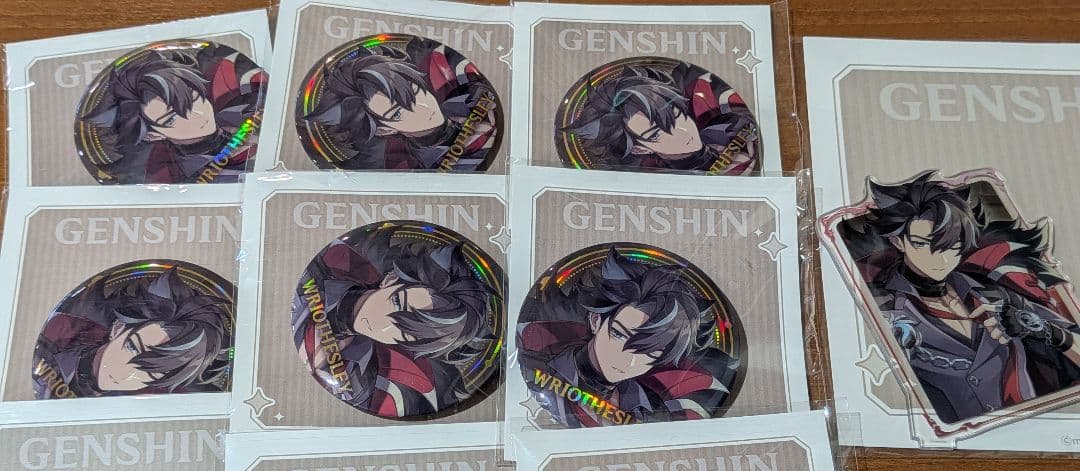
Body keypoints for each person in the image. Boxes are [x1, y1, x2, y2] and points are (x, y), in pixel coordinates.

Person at [839, 171, 1080, 424]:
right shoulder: (881, 307)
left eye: (952, 244)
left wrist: (1046, 331)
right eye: (922, 243)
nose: (941, 259)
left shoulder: (994, 292)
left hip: (1036, 424)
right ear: (898, 242)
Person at [517, 247, 740, 427]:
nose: (627, 361)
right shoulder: (537, 369)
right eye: (619, 334)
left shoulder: (652, 409)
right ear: (595, 321)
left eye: (649, 353)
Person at [294, 227, 496, 417]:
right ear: (390, 279)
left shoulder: (362, 383)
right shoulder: (325, 264)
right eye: (397, 302)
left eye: (405, 333)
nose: (384, 325)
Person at [33, 269, 234, 399]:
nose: (124, 373)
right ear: (118, 328)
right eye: (132, 347)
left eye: (151, 372)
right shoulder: (56, 334)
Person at [79, 43, 266, 183]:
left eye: (193, 98)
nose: (196, 115)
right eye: (171, 119)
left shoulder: (241, 109)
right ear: (152, 135)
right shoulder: (176, 177)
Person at [304, 40, 499, 171]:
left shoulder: (463, 93)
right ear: (385, 130)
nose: (422, 107)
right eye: (397, 113)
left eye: (414, 91)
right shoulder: (415, 166)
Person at [559, 63, 757, 174]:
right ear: (640, 148)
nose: (681, 132)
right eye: (655, 135)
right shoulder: (662, 183)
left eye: (676, 115)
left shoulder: (731, 124)